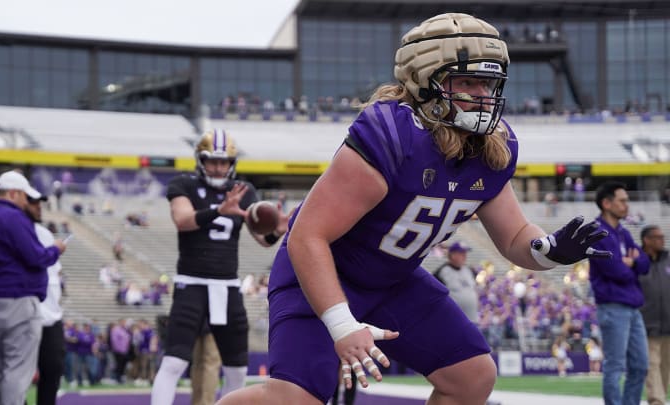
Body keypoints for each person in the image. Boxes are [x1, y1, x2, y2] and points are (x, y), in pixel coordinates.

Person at [217, 13, 610, 405]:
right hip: (322, 273)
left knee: (472, 375)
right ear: (426, 82)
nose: (482, 94)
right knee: (295, 400)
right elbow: (306, 236)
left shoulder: (490, 147)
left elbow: (513, 237)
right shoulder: (393, 136)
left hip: (393, 281)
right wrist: (341, 323)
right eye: (467, 81)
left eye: (488, 83)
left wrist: (547, 250)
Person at [150, 129, 291, 405]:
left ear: (232, 163)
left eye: (223, 161)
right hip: (191, 284)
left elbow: (263, 240)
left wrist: (278, 231)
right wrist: (218, 210)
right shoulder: (184, 184)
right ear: (200, 161)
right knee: (174, 363)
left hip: (227, 286)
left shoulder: (243, 191)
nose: (217, 167)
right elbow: (182, 220)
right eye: (212, 161)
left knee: (237, 369)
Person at [0, 170, 67, 405]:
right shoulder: (13, 218)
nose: (27, 203)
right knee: (17, 369)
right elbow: (36, 257)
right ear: (14, 194)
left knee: (0, 367)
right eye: (25, 197)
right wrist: (56, 250)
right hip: (16, 300)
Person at [589, 181, 650, 405]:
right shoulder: (596, 232)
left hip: (632, 306)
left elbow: (644, 264)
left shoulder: (623, 232)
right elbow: (614, 270)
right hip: (613, 305)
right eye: (622, 200)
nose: (627, 205)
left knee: (641, 365)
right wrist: (630, 264)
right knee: (614, 366)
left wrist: (631, 263)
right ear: (606, 203)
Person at [25, 193, 66, 405]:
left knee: (53, 368)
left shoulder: (44, 233)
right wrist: (56, 250)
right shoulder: (18, 231)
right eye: (33, 203)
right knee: (19, 374)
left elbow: (54, 276)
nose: (38, 207)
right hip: (24, 312)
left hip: (50, 316)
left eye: (39, 203)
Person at [638, 224, 669, 405]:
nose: (662, 240)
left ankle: (660, 398)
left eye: (662, 236)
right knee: (652, 365)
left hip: (668, 323)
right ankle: (656, 401)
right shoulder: (638, 262)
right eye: (657, 237)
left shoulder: (668, 260)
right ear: (646, 240)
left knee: (666, 367)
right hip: (646, 324)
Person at [433, 241, 479, 324]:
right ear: (453, 255)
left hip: (473, 320)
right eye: (462, 253)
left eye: (465, 253)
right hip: (454, 321)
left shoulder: (468, 270)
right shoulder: (442, 272)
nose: (465, 256)